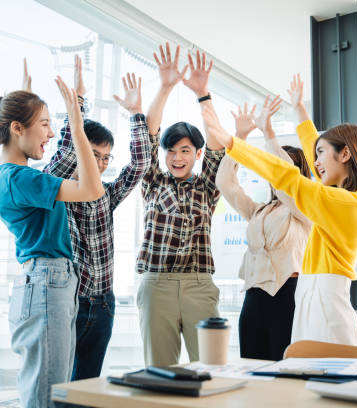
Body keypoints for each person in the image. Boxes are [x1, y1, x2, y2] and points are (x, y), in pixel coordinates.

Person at [200, 73, 357, 346]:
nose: (315, 161)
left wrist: (234, 143)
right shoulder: (335, 198)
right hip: (311, 294)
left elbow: (289, 177)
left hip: (323, 299)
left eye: (321, 154)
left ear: (345, 155)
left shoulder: (343, 203)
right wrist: (299, 110)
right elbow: (310, 156)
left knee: (326, 379)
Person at [0, 75, 104, 407]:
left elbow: (51, 163)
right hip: (48, 282)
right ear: (17, 128)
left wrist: (25, 92)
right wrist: (78, 129)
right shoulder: (22, 178)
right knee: (48, 396)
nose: (51, 133)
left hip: (44, 281)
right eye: (46, 125)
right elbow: (93, 190)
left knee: (47, 390)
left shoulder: (3, 176)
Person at [41, 55, 151, 380]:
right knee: (58, 388)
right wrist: (78, 105)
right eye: (94, 155)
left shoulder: (106, 193)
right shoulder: (54, 186)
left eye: (105, 158)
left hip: (104, 305)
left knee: (87, 389)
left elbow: (139, 166)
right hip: (69, 304)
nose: (100, 164)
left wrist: (136, 115)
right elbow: (67, 154)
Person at [136, 43, 226, 366]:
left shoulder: (207, 187)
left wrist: (203, 95)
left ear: (197, 154)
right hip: (156, 284)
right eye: (171, 151)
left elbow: (218, 146)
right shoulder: (153, 182)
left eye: (185, 150)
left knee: (211, 369)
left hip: (199, 285)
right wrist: (165, 88)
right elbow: (147, 135)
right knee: (159, 373)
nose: (177, 157)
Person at [216, 96, 311, 360]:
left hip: (287, 296)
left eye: (276, 169)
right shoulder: (259, 211)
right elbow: (226, 183)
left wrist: (269, 135)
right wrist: (240, 138)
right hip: (253, 297)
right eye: (270, 170)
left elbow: (287, 183)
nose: (272, 175)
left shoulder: (304, 209)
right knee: (251, 366)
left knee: (285, 372)